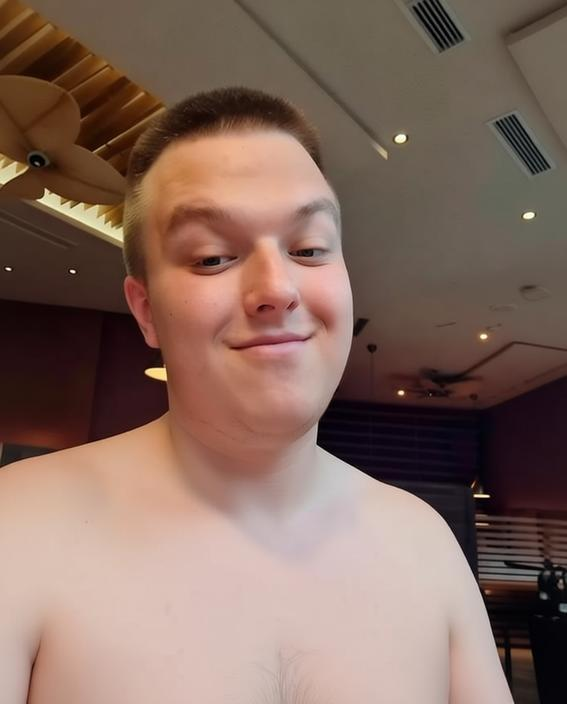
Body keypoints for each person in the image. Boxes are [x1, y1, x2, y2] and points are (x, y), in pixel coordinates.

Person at [0, 87, 514, 704]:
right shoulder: (20, 524)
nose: (277, 288)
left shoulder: (424, 545)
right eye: (212, 258)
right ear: (146, 311)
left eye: (309, 250)